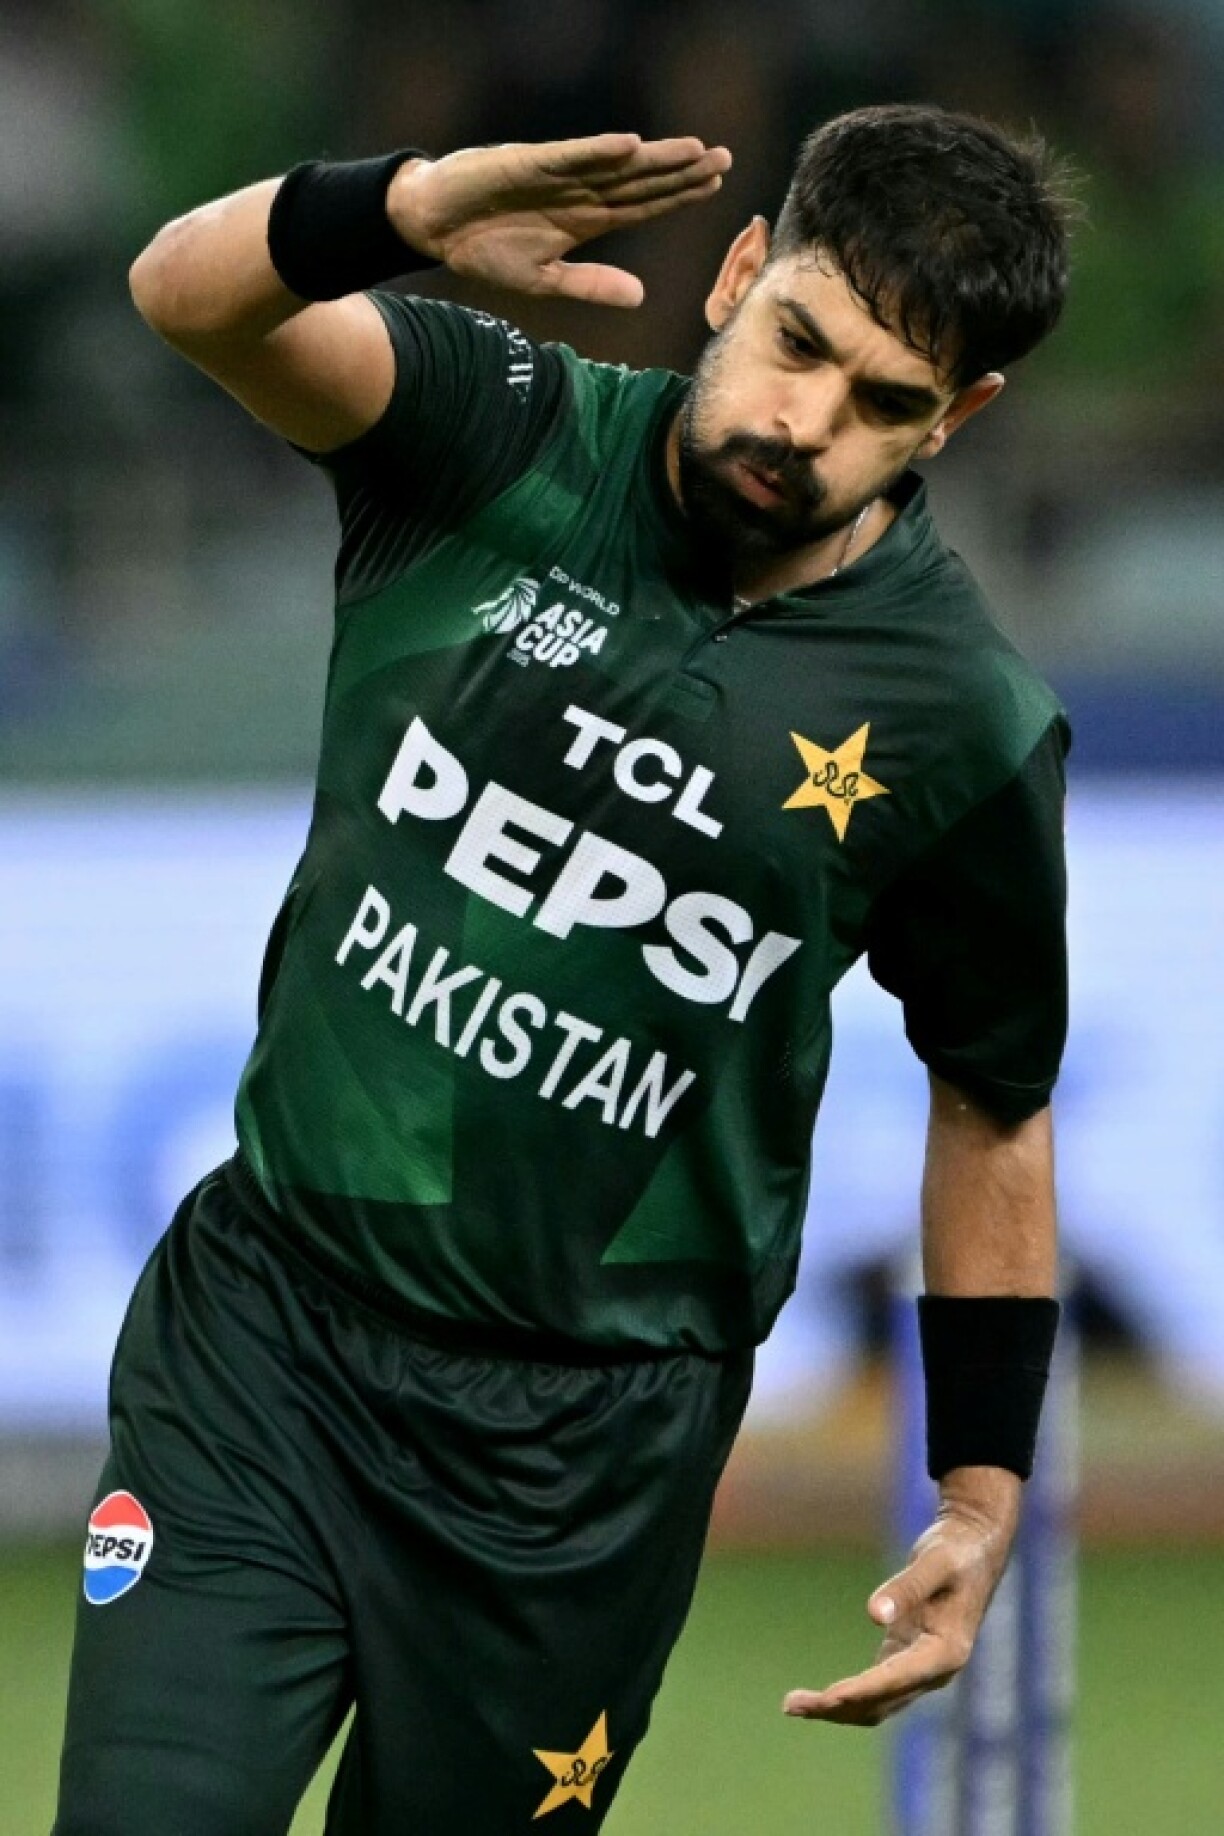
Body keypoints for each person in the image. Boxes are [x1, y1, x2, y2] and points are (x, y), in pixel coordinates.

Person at [55, 107, 1074, 1833]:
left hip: (580, 1468)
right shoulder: (494, 432)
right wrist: (411, 204)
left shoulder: (962, 724)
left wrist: (978, 1501)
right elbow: (184, 295)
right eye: (800, 343)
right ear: (739, 274)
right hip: (265, 1353)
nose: (804, 425)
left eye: (884, 403)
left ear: (956, 421)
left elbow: (995, 1103)